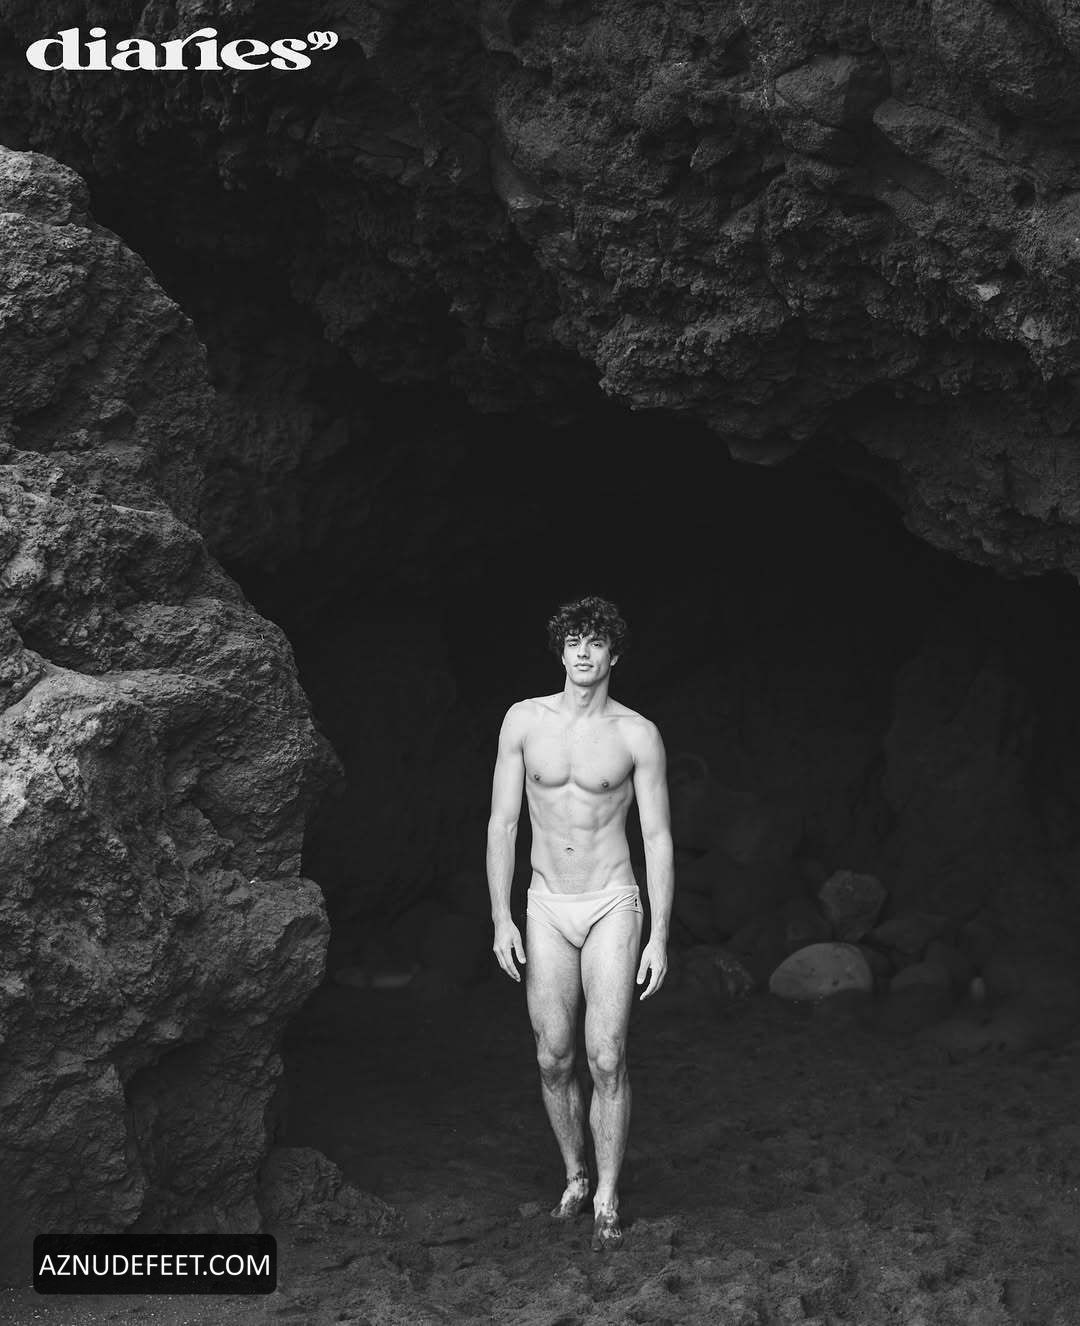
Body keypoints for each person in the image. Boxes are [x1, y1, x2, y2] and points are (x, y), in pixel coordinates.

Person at [486, 595, 674, 1252]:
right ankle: (575, 1175)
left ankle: (608, 1196)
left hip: (611, 901)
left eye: (596, 643)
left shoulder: (637, 734)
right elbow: (503, 823)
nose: (584, 653)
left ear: (614, 655)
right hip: (545, 903)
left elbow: (657, 837)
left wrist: (659, 936)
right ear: (561, 652)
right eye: (573, 642)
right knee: (554, 1056)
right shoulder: (523, 721)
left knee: (608, 1056)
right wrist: (501, 917)